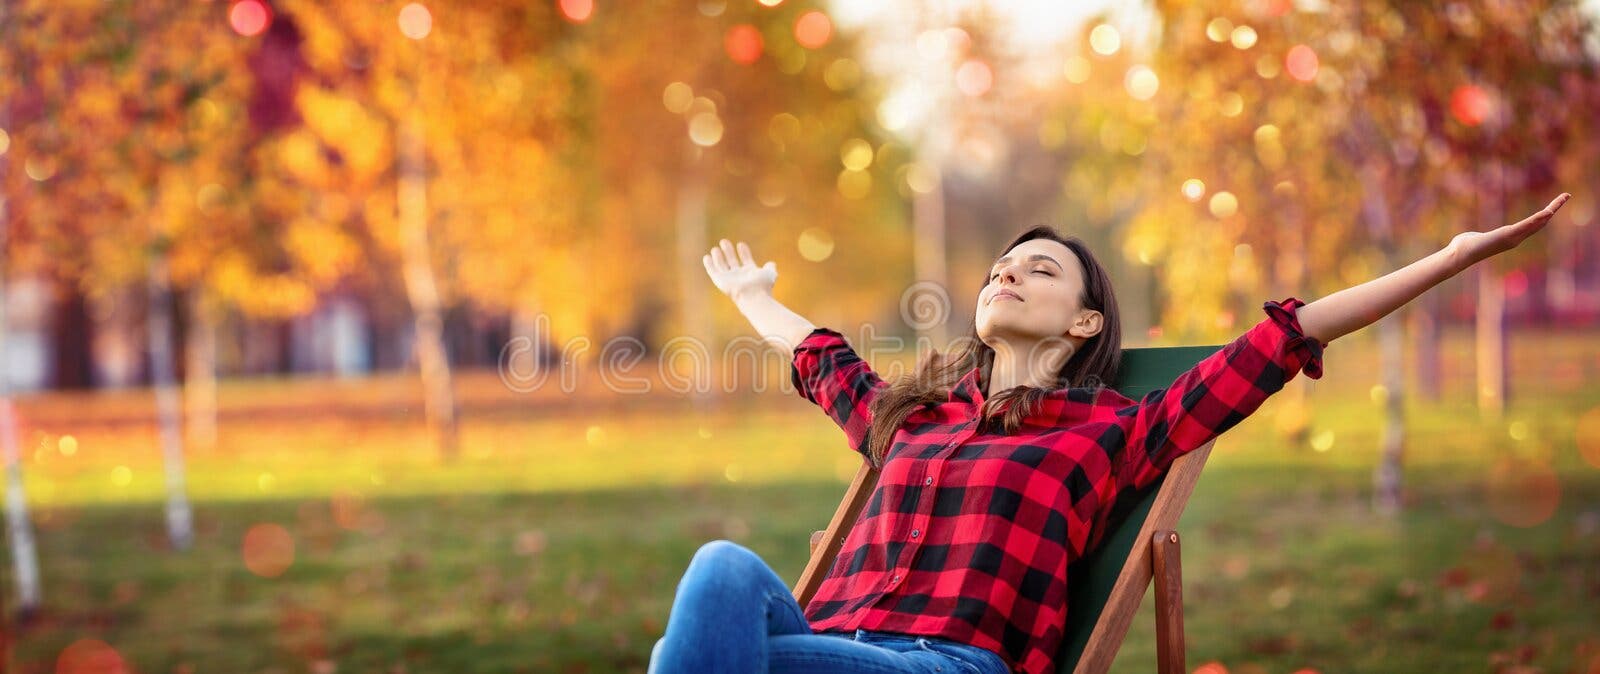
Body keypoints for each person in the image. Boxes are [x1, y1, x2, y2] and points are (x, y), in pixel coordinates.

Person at [649, 193, 1572, 674]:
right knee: (723, 598)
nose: (1007, 274)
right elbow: (823, 358)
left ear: (1085, 324)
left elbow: (1282, 341)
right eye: (1002, 267)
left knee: (713, 604)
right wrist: (756, 302)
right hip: (832, 650)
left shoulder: (1115, 433)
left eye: (1037, 270)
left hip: (944, 668)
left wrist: (1449, 260)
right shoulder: (911, 418)